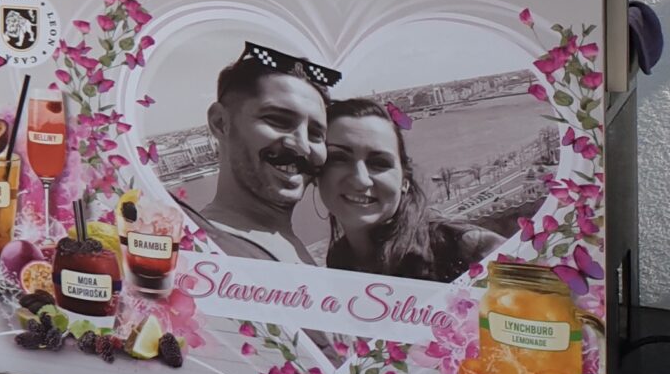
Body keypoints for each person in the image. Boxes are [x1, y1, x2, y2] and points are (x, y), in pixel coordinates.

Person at [319, 96, 499, 282]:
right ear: (317, 171)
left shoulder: (472, 249)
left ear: (404, 180)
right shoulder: (340, 260)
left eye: (379, 163)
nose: (360, 180)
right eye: (338, 158)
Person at [191, 42, 335, 264]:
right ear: (220, 123)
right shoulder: (210, 253)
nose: (303, 146)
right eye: (277, 120)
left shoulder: (279, 242)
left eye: (315, 134)